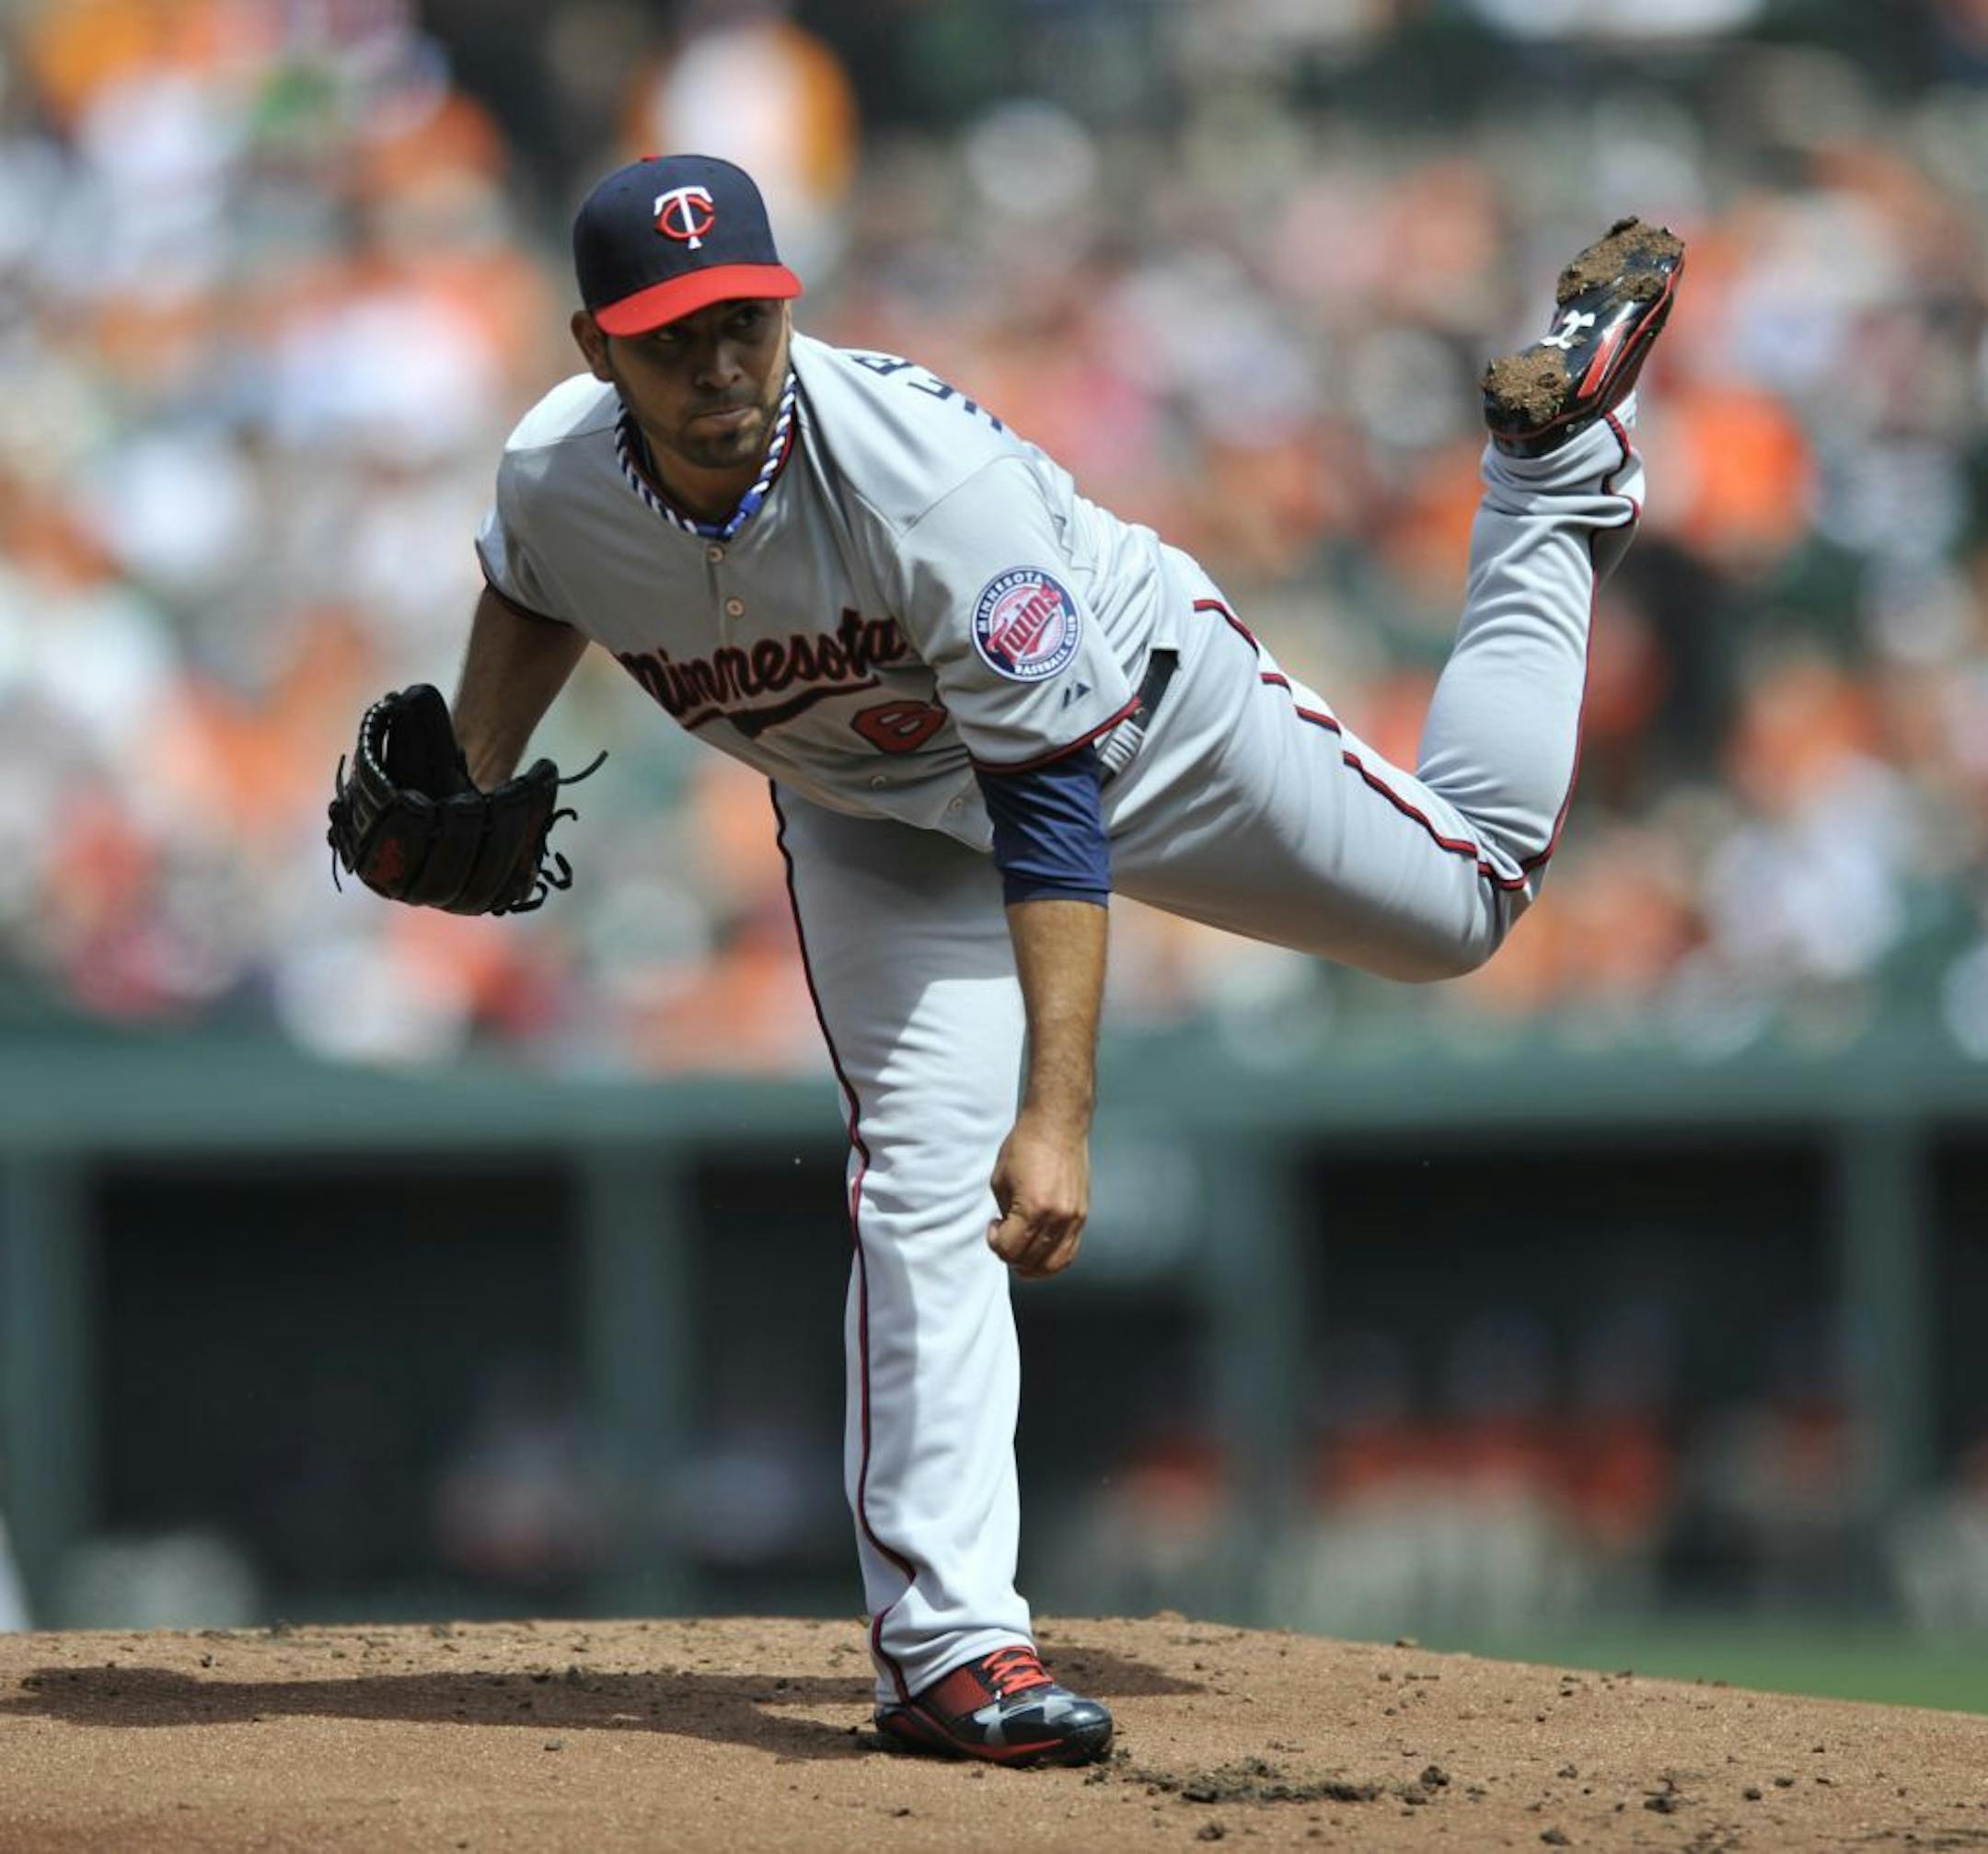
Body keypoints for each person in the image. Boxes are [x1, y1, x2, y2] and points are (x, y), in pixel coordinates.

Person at [446, 153, 1682, 1766]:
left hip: (1132, 725)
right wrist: (471, 772)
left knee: (1464, 903)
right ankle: (954, 1646)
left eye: (746, 322)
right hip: (871, 804)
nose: (723, 364)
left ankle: (1550, 484)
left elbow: (1048, 796)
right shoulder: (555, 471)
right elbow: (533, 582)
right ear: (595, 347)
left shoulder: (913, 478)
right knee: (919, 1174)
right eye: (675, 337)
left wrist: (1062, 1106)